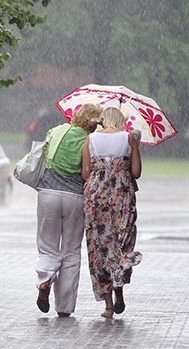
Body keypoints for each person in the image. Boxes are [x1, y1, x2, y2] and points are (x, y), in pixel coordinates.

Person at [35, 104, 102, 317]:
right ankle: (64, 307)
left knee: (47, 246)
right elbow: (88, 171)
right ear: (94, 123)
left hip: (48, 194)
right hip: (75, 197)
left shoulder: (56, 131)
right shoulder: (90, 141)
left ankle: (45, 279)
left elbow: (46, 155)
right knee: (71, 251)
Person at [82, 107, 142, 319]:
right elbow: (136, 173)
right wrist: (133, 147)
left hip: (96, 197)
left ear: (103, 120)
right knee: (123, 241)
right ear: (120, 120)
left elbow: (85, 173)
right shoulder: (129, 138)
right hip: (122, 195)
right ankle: (119, 283)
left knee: (99, 246)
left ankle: (108, 306)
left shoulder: (91, 139)